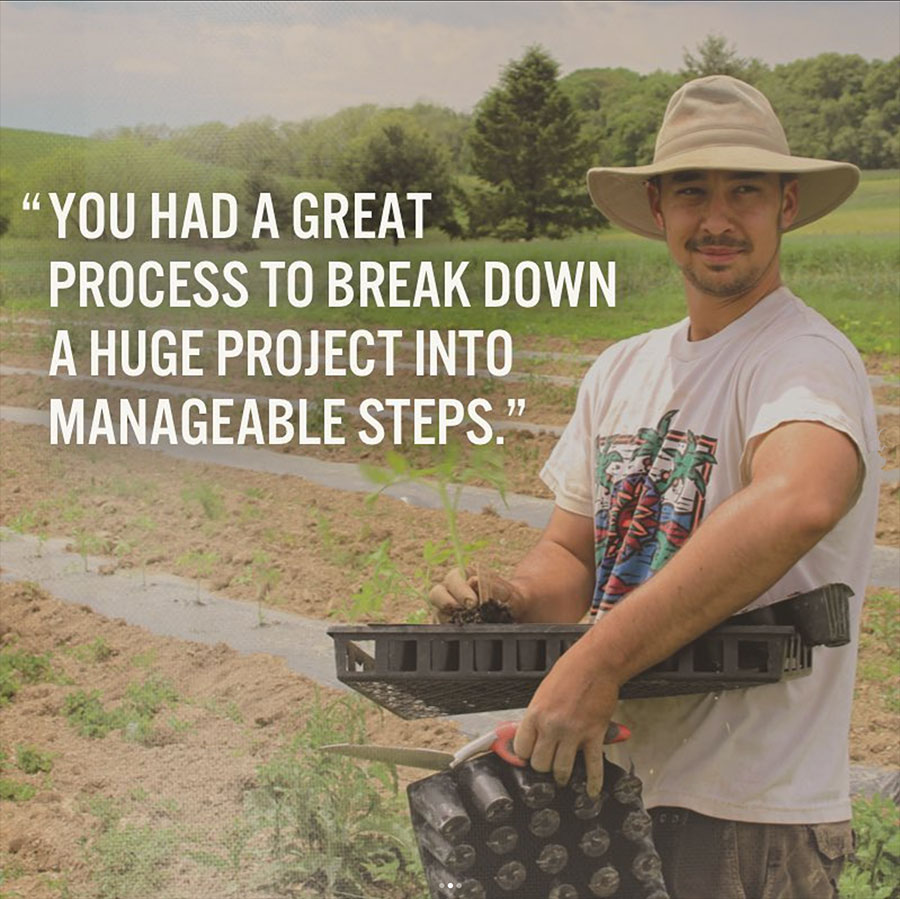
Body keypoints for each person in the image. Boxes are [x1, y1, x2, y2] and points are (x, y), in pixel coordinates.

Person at [430, 76, 880, 898]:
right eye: (692, 191)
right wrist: (506, 592)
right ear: (658, 208)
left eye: (745, 189)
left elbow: (800, 497)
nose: (717, 217)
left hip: (746, 815)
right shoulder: (623, 369)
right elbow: (573, 555)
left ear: (785, 205)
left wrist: (600, 658)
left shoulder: (799, 358)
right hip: (605, 788)